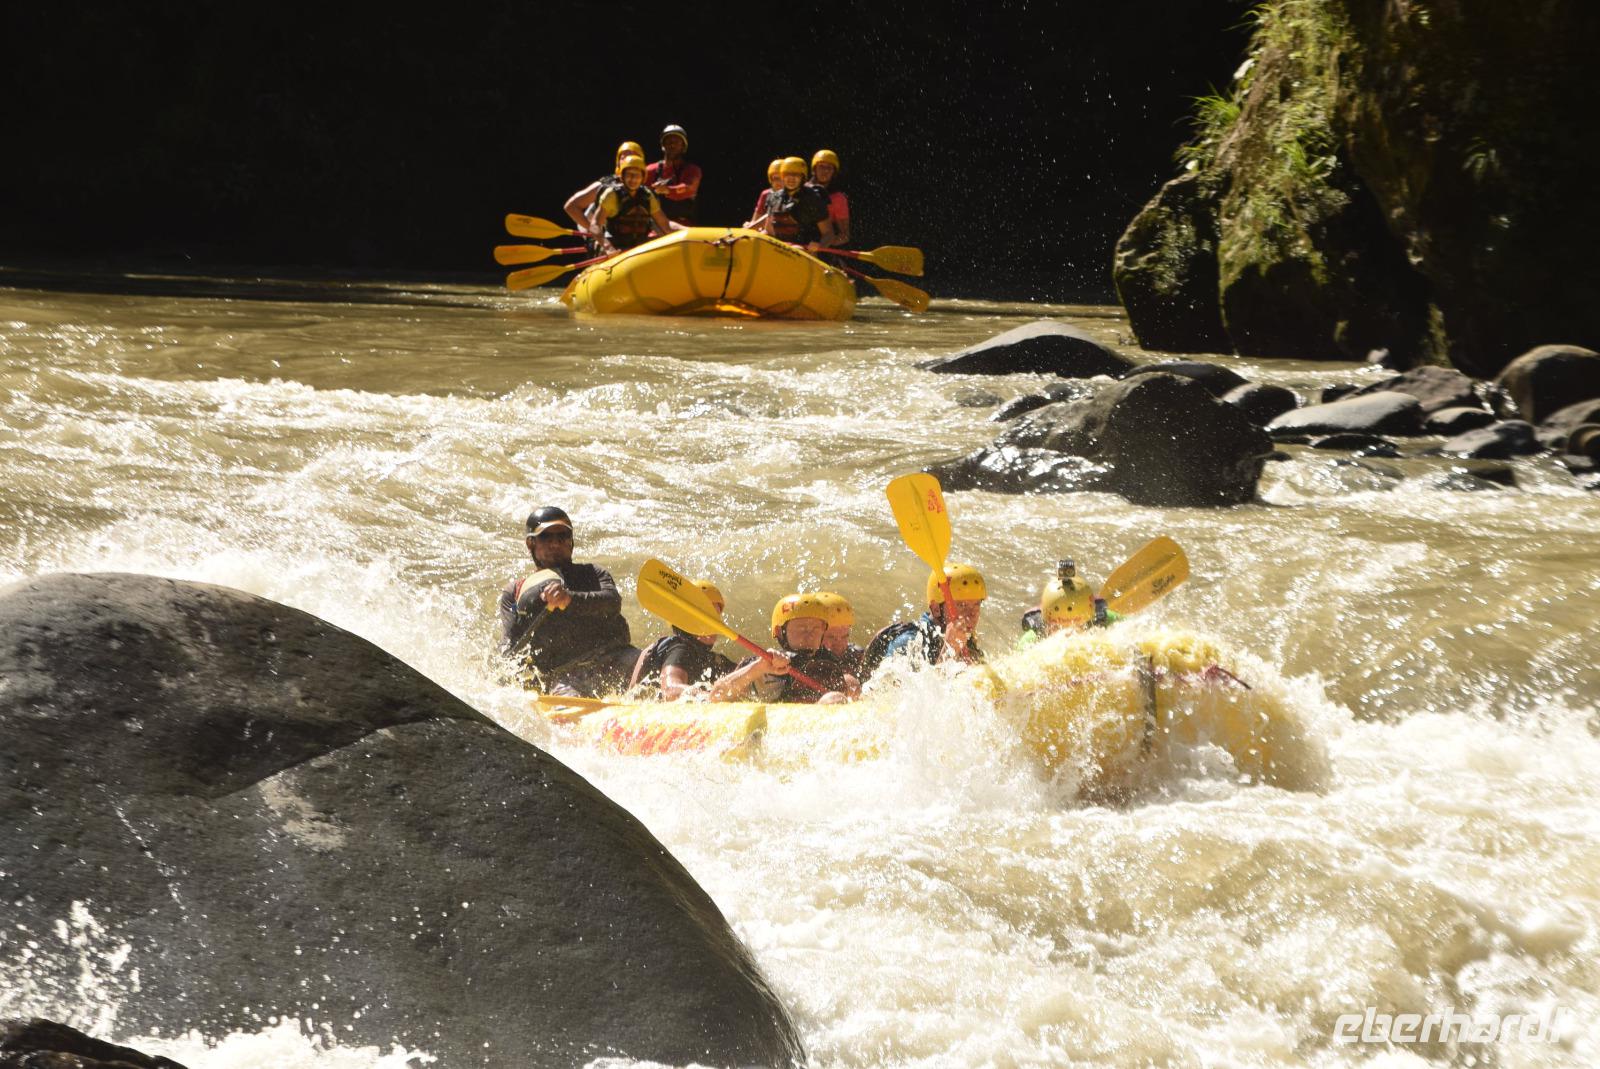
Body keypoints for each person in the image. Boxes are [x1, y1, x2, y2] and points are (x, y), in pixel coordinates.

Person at [498, 506, 640, 697]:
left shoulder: (594, 574)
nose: (556, 543)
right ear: (531, 543)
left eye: (563, 536)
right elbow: (509, 644)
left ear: (571, 541)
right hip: (566, 678)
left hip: (616, 658)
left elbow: (612, 603)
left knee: (664, 652)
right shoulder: (515, 593)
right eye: (546, 537)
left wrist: (569, 599)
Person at [627, 579, 772, 701]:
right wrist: (709, 698)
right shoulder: (678, 647)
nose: (714, 621)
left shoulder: (714, 660)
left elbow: (740, 681)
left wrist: (764, 666)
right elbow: (670, 690)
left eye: (716, 615)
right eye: (708, 614)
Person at [861, 564, 988, 678]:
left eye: (976, 604)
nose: (972, 614)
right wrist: (949, 651)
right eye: (961, 605)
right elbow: (911, 700)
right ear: (936, 609)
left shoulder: (968, 642)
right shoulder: (909, 642)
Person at [733, 593, 857, 703]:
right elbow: (716, 695)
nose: (810, 635)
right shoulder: (763, 662)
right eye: (802, 628)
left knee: (850, 684)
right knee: (834, 699)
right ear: (780, 632)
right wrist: (758, 668)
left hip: (817, 715)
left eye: (816, 628)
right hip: (782, 721)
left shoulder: (829, 660)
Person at [1018, 561, 1120, 648]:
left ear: (1089, 620)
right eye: (1057, 628)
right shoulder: (1032, 639)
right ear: (1046, 623)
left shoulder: (1103, 619)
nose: (1068, 634)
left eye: (1078, 626)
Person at [592, 155, 679, 252]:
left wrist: (684, 236)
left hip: (639, 249)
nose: (633, 179)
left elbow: (665, 225)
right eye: (629, 174)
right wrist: (608, 247)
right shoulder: (612, 195)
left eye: (637, 175)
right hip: (616, 248)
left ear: (643, 178)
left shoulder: (647, 196)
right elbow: (594, 225)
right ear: (623, 176)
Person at [563, 140, 644, 235]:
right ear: (618, 162)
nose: (628, 160)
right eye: (623, 157)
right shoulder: (604, 186)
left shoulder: (645, 187)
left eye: (632, 156)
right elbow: (571, 206)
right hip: (609, 239)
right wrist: (595, 233)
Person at [754, 157, 834, 250]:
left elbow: (829, 234)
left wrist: (819, 245)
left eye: (796, 175)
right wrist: (761, 237)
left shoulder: (813, 199)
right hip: (779, 249)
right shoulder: (774, 197)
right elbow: (769, 231)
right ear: (782, 176)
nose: (791, 178)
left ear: (802, 177)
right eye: (787, 174)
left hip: (805, 251)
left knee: (798, 248)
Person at [645, 124, 701, 226]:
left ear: (683, 146)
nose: (672, 145)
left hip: (683, 226)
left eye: (676, 142)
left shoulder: (692, 170)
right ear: (663, 145)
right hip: (654, 227)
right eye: (669, 141)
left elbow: (688, 188)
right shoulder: (650, 170)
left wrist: (667, 190)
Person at [808, 149, 851, 248]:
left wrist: (822, 245)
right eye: (821, 167)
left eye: (829, 168)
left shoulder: (838, 198)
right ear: (814, 169)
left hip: (824, 246)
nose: (825, 171)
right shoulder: (802, 190)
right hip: (799, 240)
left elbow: (844, 235)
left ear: (834, 172)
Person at [814, 591, 863, 676]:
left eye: (845, 636)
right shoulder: (791, 661)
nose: (839, 645)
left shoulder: (856, 656)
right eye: (831, 637)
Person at [745, 158, 785, 229]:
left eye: (782, 179)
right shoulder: (766, 194)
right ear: (770, 180)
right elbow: (755, 220)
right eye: (776, 179)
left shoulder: (796, 196)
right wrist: (751, 225)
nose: (779, 182)